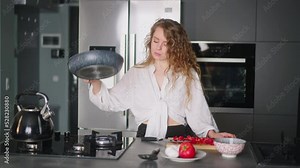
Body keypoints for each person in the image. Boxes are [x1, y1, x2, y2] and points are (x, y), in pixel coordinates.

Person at [85, 18, 235, 139]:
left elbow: (198, 111)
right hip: (145, 137)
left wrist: (212, 133)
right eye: (156, 41)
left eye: (166, 44)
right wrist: (96, 82)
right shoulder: (137, 73)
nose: (158, 48)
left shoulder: (187, 74)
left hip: (177, 139)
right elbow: (111, 101)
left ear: (176, 47)